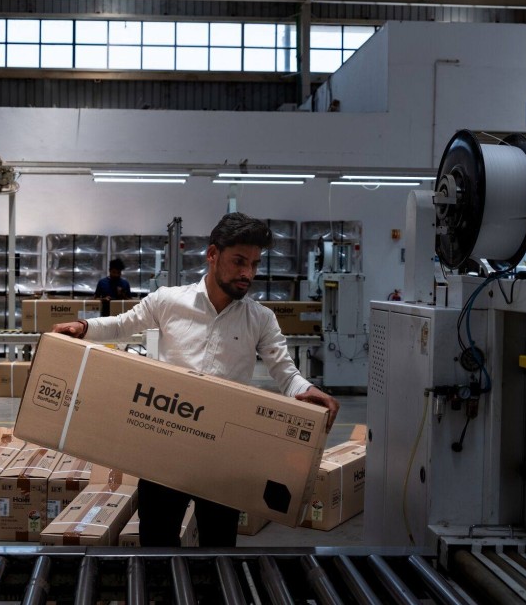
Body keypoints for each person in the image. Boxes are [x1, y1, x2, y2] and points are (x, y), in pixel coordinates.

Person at [52, 212, 340, 548]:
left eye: (255, 264)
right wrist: (85, 327)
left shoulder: (260, 319)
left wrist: (307, 390)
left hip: (223, 457)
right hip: (164, 447)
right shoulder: (169, 301)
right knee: (157, 540)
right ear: (213, 254)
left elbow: (285, 372)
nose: (248, 273)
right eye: (238, 261)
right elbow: (123, 324)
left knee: (218, 544)